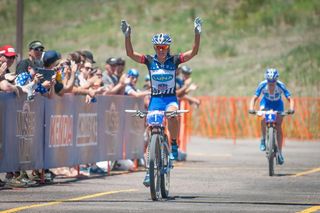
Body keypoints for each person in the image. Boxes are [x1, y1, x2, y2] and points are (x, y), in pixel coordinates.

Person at [120, 16, 202, 186]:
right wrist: (127, 36)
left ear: (168, 47)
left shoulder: (175, 60)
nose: (162, 50)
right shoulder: (150, 61)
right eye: (158, 47)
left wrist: (197, 33)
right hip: (156, 100)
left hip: (170, 98)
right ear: (155, 48)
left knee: (173, 114)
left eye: (164, 47)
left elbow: (193, 52)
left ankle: (173, 144)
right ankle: (150, 170)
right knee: (152, 130)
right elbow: (130, 54)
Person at [249, 68, 295, 165]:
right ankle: (263, 139)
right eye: (269, 82)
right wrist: (251, 108)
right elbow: (254, 98)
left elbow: (290, 98)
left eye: (273, 82)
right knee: (263, 118)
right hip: (266, 103)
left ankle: (280, 153)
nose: (271, 84)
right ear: (266, 80)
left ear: (276, 80)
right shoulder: (262, 85)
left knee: (278, 126)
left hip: (278, 105)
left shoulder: (280, 85)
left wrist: (291, 109)